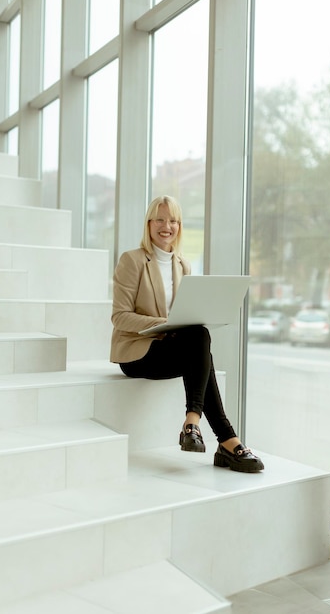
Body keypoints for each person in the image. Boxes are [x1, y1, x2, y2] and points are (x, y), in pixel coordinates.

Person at [110, 195, 264, 473]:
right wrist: (166, 323)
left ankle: (198, 425)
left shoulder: (183, 265)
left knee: (200, 334)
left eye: (173, 220)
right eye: (159, 219)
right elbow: (119, 317)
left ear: (179, 226)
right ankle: (223, 437)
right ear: (149, 223)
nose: (165, 226)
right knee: (200, 343)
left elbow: (187, 317)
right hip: (138, 352)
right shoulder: (132, 260)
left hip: (173, 349)